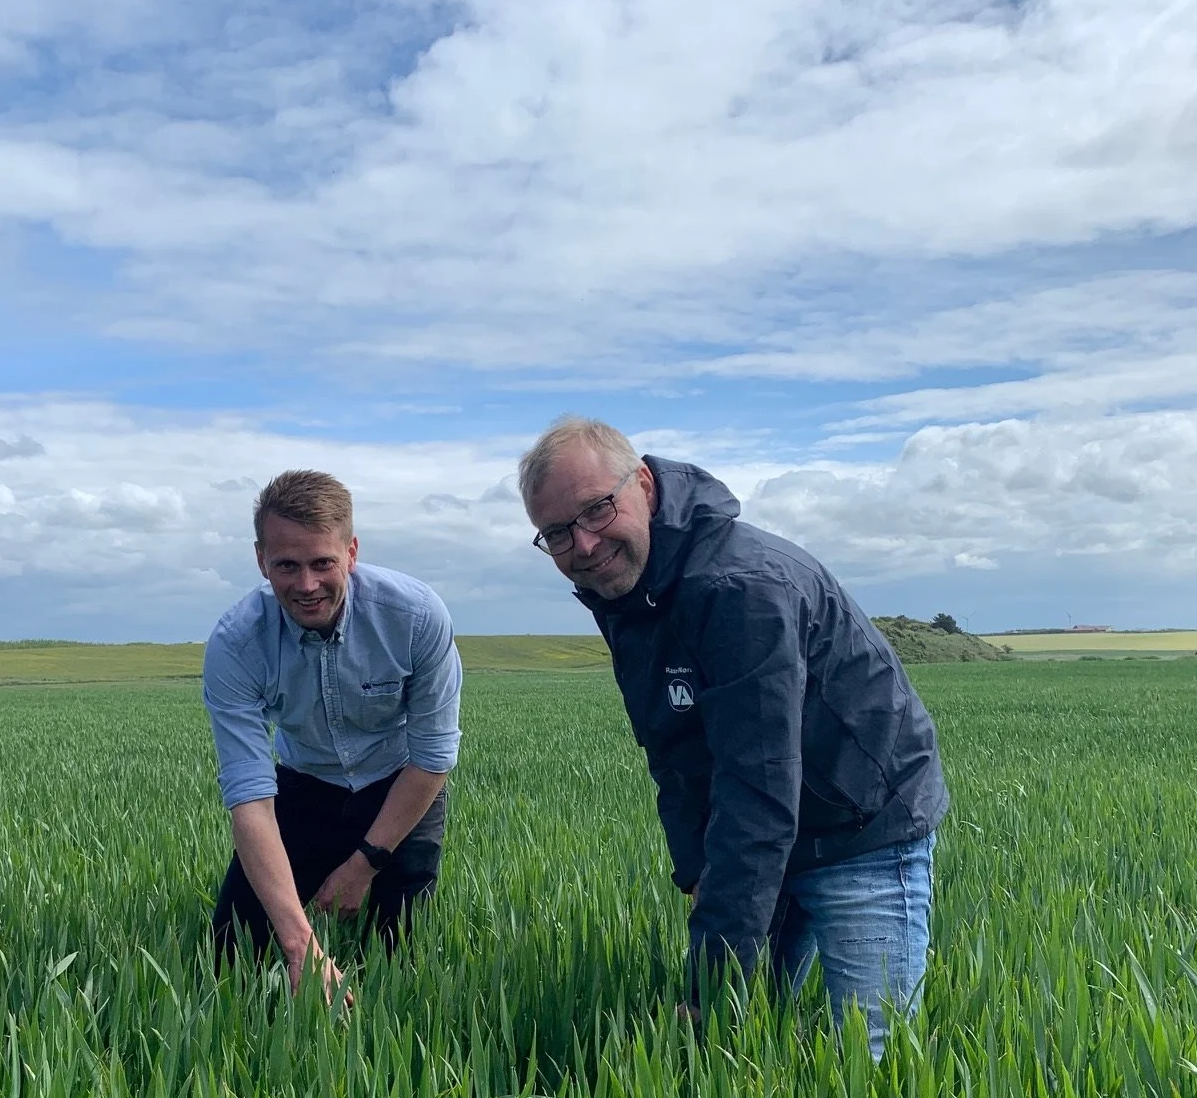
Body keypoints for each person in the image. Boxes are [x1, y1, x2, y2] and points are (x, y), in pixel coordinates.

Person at [519, 416, 947, 1057]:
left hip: (863, 824)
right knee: (740, 1047)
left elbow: (759, 785)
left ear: (643, 483)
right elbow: (672, 750)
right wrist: (697, 872)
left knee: (867, 1065)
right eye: (556, 533)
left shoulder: (738, 590)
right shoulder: (630, 588)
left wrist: (711, 976)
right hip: (768, 825)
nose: (582, 544)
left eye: (596, 511)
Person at [203, 470, 463, 1003]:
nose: (305, 585)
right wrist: (300, 945)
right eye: (286, 566)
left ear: (351, 551)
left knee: (400, 956)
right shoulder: (236, 642)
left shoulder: (414, 616)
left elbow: (433, 756)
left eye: (322, 562)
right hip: (305, 781)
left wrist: (362, 865)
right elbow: (250, 794)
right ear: (260, 560)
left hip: (400, 784)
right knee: (228, 956)